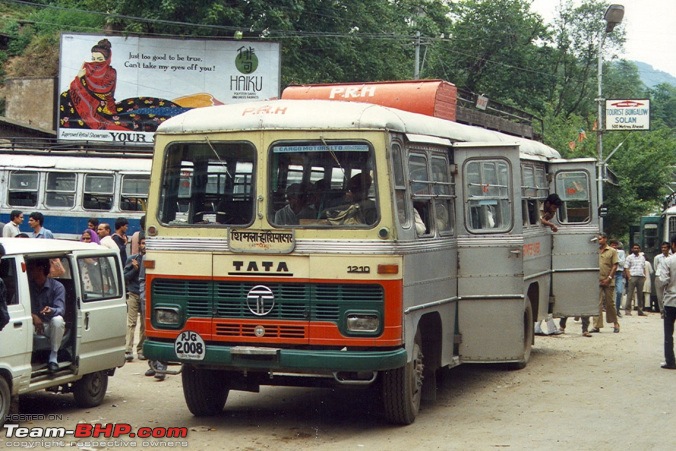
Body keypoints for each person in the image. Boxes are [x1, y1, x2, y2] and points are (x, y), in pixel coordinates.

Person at [28, 258, 66, 372]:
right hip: (32, 324)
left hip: (49, 325)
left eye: (31, 268)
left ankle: (53, 357)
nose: (28, 271)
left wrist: (51, 310)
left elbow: (61, 309)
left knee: (58, 321)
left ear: (40, 270)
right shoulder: (28, 286)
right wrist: (34, 316)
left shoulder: (57, 287)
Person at [591, 233, 620, 334]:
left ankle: (615, 323)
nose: (599, 241)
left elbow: (615, 265)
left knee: (609, 303)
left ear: (605, 239)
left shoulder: (612, 251)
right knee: (597, 303)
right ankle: (596, 326)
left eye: (600, 239)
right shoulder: (594, 251)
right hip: (596, 280)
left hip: (608, 280)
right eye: (597, 239)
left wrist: (609, 278)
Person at [124, 235, 146, 362]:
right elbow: (124, 276)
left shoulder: (151, 259)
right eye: (142, 243)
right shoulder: (132, 259)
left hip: (145, 295)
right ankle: (128, 349)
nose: (144, 246)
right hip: (133, 294)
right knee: (132, 322)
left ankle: (140, 349)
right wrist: (134, 269)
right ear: (139, 245)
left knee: (144, 323)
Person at [658, 234, 676, 369]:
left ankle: (670, 361)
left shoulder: (668, 261)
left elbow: (663, 281)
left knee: (668, 333)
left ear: (673, 245)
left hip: (671, 301)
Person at [624, 244, 647, 316]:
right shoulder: (629, 257)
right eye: (634, 248)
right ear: (632, 249)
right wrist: (629, 277)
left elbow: (643, 267)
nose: (636, 249)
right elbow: (626, 267)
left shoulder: (642, 257)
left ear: (639, 249)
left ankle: (640, 311)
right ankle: (628, 311)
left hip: (641, 277)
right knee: (630, 294)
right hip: (632, 277)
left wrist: (644, 276)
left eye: (637, 248)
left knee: (640, 295)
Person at [609, 240, 626, 317]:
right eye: (612, 245)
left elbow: (622, 263)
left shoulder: (621, 252)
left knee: (619, 292)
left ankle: (617, 310)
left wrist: (615, 256)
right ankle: (611, 310)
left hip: (619, 273)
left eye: (615, 245)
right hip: (610, 273)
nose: (614, 247)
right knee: (610, 293)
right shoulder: (607, 252)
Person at [654, 241, 671, 318]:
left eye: (665, 248)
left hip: (669, 278)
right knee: (660, 296)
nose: (663, 249)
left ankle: (669, 311)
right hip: (659, 277)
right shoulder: (657, 257)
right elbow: (655, 266)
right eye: (662, 248)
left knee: (668, 295)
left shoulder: (671, 257)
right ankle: (662, 312)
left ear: (668, 248)